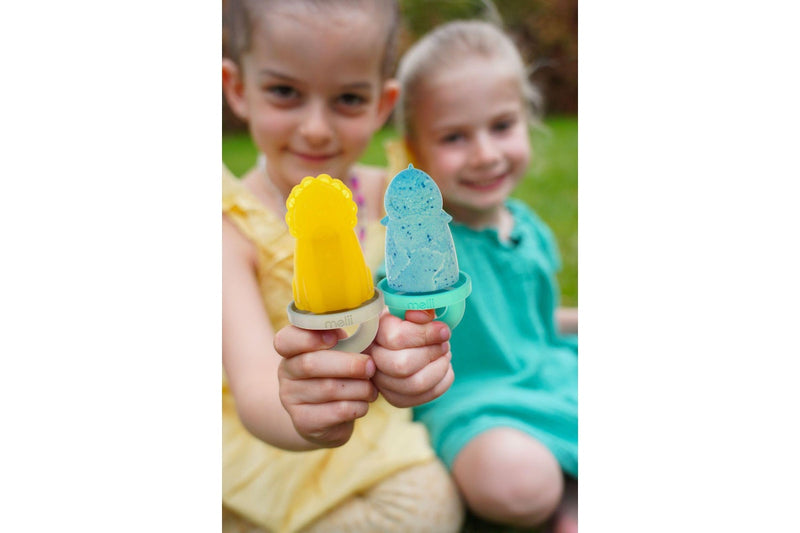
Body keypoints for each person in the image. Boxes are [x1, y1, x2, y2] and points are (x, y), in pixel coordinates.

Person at [221, 1, 463, 532]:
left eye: (348, 99)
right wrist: (302, 414)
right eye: (285, 92)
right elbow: (257, 390)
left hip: (376, 440)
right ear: (238, 89)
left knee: (431, 506)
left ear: (384, 103)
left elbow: (430, 301)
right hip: (273, 442)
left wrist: (412, 357)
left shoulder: (393, 198)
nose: (315, 129)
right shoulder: (230, 228)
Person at [389, 19, 579, 532]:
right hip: (474, 401)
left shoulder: (528, 228)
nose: (486, 154)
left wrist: (577, 320)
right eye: (454, 137)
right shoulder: (424, 248)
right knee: (514, 479)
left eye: (502, 126)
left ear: (527, 120)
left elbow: (530, 322)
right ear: (414, 150)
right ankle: (562, 496)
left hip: (549, 374)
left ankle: (570, 499)